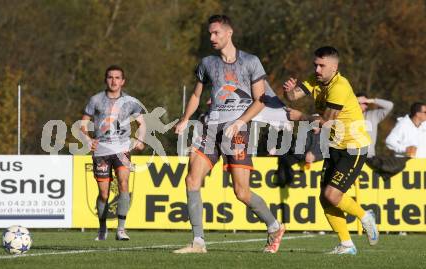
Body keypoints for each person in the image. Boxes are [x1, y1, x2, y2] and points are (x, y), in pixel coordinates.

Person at [173, 14, 285, 254]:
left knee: (241, 192)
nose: (212, 37)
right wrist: (184, 120)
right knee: (192, 179)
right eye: (210, 34)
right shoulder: (206, 64)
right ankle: (198, 242)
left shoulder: (251, 62)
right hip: (210, 128)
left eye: (216, 33)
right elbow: (196, 96)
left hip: (238, 132)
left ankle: (274, 226)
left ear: (229, 32)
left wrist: (240, 121)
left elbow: (260, 100)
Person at [283, 46, 379, 255]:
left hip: (353, 147)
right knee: (324, 198)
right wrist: (289, 91)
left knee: (332, 195)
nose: (317, 69)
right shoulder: (315, 78)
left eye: (322, 65)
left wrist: (300, 117)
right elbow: (293, 97)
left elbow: (325, 121)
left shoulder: (340, 86)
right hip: (334, 145)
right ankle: (346, 245)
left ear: (334, 67)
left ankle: (365, 216)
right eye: (315, 64)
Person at [81, 65, 146, 241]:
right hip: (101, 150)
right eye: (110, 77)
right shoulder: (95, 100)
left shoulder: (131, 102)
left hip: (122, 148)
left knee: (124, 184)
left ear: (123, 81)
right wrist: (88, 140)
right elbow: (82, 125)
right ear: (106, 79)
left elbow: (142, 124)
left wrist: (140, 140)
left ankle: (121, 229)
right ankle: (102, 228)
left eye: (117, 77)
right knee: (104, 193)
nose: (114, 80)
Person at [356, 93, 393, 158]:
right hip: (350, 155)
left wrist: (371, 100)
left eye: (366, 104)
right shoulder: (347, 115)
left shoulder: (373, 115)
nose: (366, 106)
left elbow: (390, 105)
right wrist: (355, 100)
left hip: (368, 156)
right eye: (363, 103)